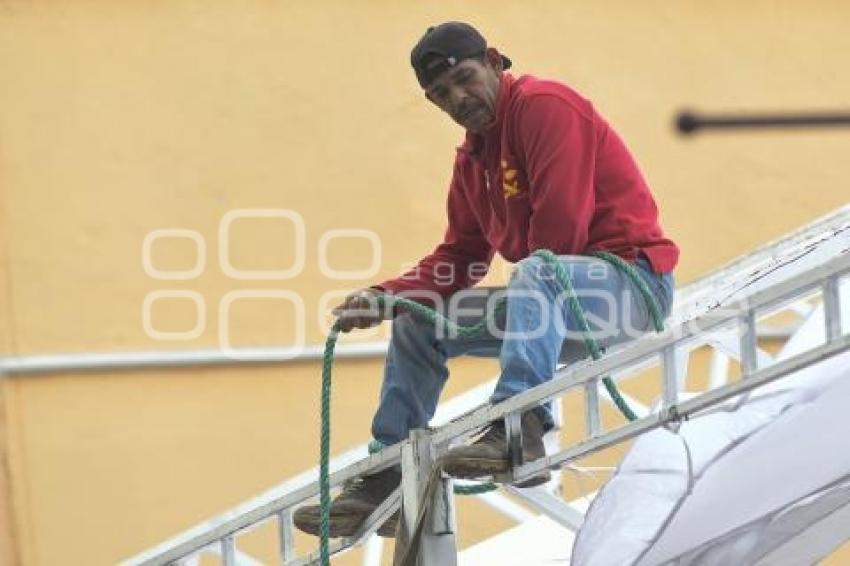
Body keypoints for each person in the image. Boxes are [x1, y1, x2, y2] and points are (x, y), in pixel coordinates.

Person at [293, 21, 678, 539]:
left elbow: (559, 234)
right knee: (419, 325)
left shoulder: (545, 106)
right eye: (441, 95)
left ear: (495, 62)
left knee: (539, 268)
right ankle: (389, 475)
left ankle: (522, 425)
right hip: (551, 301)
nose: (458, 98)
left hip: (630, 287)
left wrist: (531, 288)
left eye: (466, 78)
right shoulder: (473, 162)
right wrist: (387, 297)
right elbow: (462, 256)